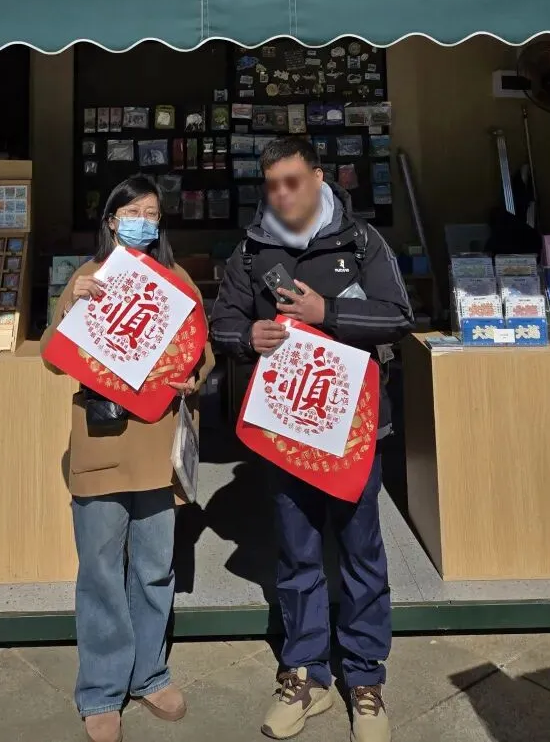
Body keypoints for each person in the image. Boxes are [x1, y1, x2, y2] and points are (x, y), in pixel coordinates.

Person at [210, 138, 414, 742]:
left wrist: (329, 314)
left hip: (355, 428)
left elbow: (399, 317)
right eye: (273, 184)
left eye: (293, 181)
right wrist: (247, 336)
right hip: (287, 429)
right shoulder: (252, 249)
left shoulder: (361, 241)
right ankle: (305, 674)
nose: (283, 194)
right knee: (298, 555)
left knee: (361, 553)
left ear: (320, 177)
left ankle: (366, 679)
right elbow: (221, 322)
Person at [41, 175, 214, 742]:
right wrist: (74, 304)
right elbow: (52, 356)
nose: (143, 221)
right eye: (132, 211)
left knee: (154, 566)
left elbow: (202, 351)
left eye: (152, 213)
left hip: (158, 446)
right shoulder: (89, 277)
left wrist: (193, 377)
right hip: (101, 442)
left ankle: (150, 673)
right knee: (99, 571)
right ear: (111, 219)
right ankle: (101, 689)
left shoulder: (176, 280)